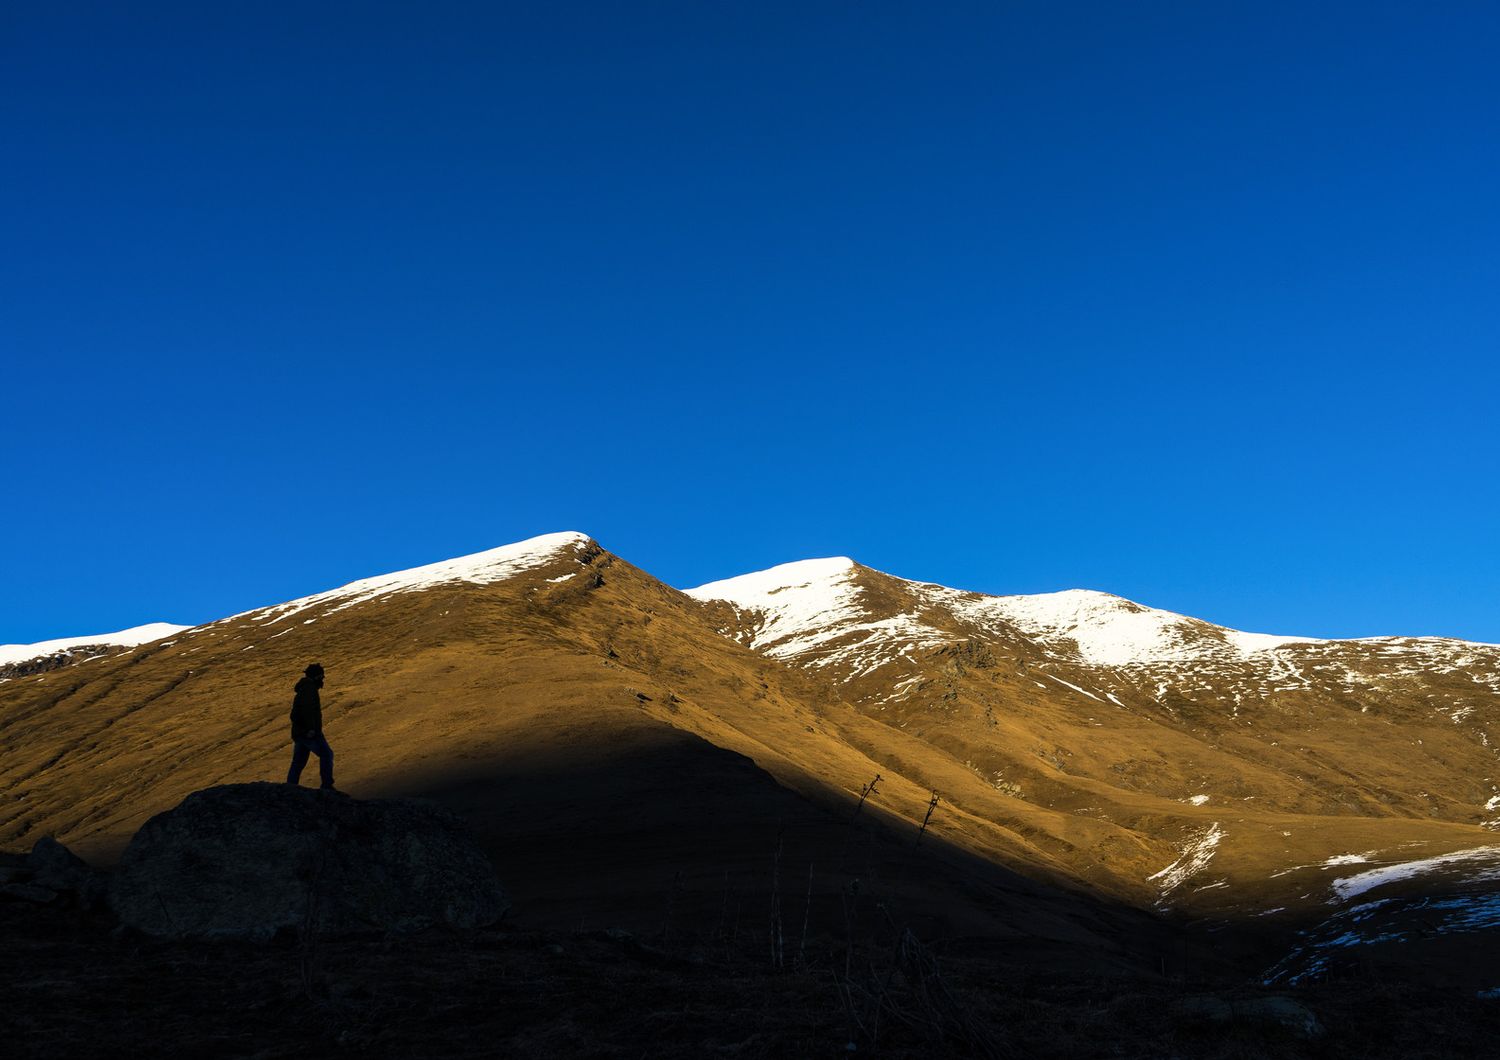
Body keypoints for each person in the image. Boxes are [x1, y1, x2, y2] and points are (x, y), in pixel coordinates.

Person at [286, 662, 335, 790]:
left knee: (298, 762)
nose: (323, 679)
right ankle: (327, 785)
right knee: (326, 754)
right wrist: (311, 729)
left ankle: (290, 787)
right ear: (317, 676)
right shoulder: (309, 689)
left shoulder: (305, 688)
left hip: (300, 732)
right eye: (322, 676)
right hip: (309, 732)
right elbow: (307, 711)